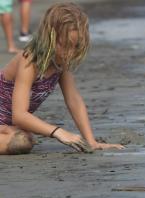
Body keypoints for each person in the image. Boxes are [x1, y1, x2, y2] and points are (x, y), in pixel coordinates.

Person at [0, 3, 124, 155]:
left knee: (25, 138)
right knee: (22, 142)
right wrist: (58, 132)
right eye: (65, 45)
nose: (70, 53)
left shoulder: (60, 62)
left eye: (76, 46)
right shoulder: (30, 60)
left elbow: (74, 100)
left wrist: (91, 141)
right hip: (11, 121)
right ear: (50, 37)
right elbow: (19, 115)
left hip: (8, 124)